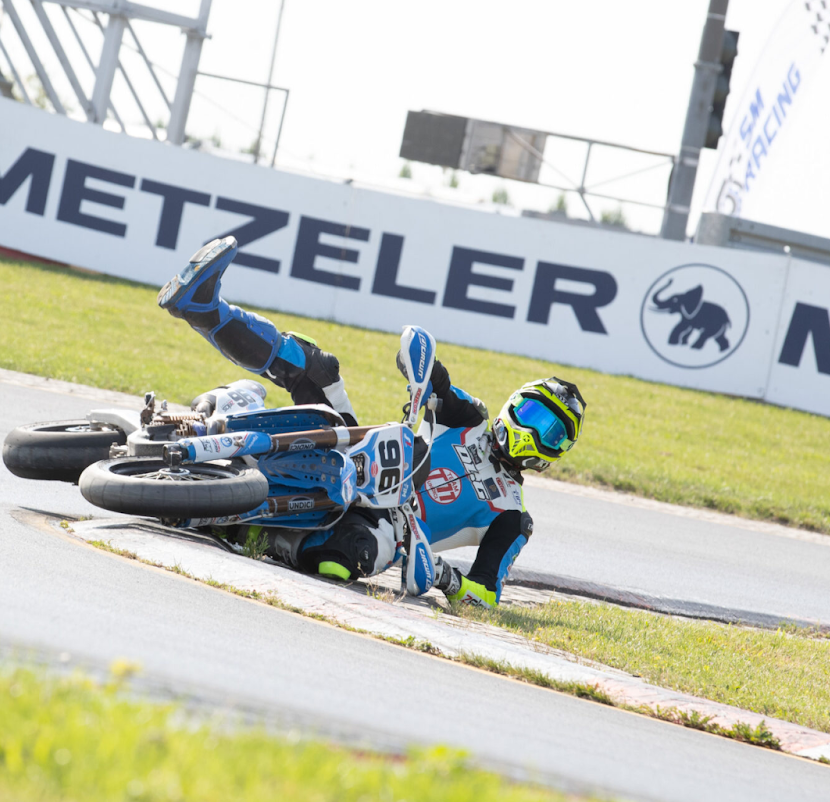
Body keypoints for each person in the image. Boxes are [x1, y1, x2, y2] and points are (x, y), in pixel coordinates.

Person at [158, 236, 586, 607]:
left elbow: (486, 593)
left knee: (345, 557)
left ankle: (220, 521)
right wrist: (419, 376)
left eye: (551, 432)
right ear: (514, 403)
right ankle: (203, 309)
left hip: (387, 527)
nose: (532, 432)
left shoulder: (512, 514)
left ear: (557, 453)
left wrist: (443, 577)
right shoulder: (468, 418)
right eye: (532, 414)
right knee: (319, 369)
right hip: (360, 454)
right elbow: (424, 364)